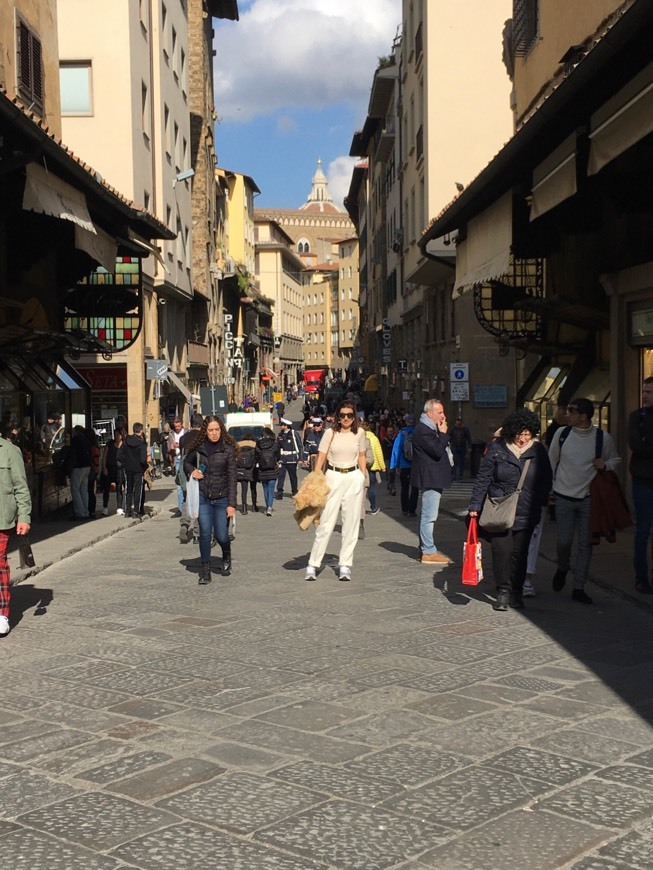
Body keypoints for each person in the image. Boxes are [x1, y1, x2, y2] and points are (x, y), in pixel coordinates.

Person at [468, 409, 552, 611]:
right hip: (499, 510)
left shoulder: (538, 451)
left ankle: (516, 591)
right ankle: (503, 591)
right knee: (501, 551)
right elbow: (483, 478)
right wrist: (475, 505)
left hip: (526, 511)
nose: (523, 439)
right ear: (511, 432)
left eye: (527, 434)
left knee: (519, 554)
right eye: (519, 434)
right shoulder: (497, 449)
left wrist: (539, 502)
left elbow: (546, 479)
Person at [548, 397, 620, 604]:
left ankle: (579, 586)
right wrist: (550, 488)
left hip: (590, 498)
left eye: (572, 410)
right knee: (563, 541)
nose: (567, 413)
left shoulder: (602, 438)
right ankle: (562, 567)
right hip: (563, 495)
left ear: (584, 416)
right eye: (567, 409)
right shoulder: (562, 434)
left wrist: (604, 465)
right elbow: (551, 461)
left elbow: (615, 459)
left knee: (585, 545)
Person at [304, 400, 367, 582]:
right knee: (326, 522)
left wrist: (362, 477)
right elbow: (321, 457)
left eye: (349, 415)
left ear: (354, 417)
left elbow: (362, 455)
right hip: (333, 475)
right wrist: (316, 479)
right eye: (342, 415)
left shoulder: (360, 433)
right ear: (338, 417)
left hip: (353, 476)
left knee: (351, 523)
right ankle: (313, 564)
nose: (346, 418)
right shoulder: (329, 433)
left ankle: (345, 564)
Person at [184, 416, 237, 585]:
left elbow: (232, 478)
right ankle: (205, 571)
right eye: (211, 430)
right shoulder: (198, 448)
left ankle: (226, 553)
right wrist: (192, 471)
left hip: (222, 498)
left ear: (221, 431)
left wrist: (231, 504)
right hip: (203, 496)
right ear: (205, 432)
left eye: (217, 430)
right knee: (205, 534)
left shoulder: (228, 450)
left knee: (222, 535)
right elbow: (186, 463)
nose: (214, 434)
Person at [410, 399, 454, 564]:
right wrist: (443, 433)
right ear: (430, 413)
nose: (443, 416)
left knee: (427, 514)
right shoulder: (423, 430)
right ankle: (428, 551)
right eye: (440, 412)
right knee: (429, 515)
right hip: (430, 477)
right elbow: (436, 450)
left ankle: (424, 549)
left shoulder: (429, 428)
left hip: (433, 476)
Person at [0, 435, 31, 635]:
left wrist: (24, 516)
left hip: (2, 518)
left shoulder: (10, 450)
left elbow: (20, 486)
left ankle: (2, 613)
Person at [628, 376, 653, 594]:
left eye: (649, 392)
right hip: (643, 481)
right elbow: (636, 445)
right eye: (644, 391)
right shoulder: (637, 417)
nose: (644, 395)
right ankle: (641, 577)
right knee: (643, 530)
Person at [178, 413, 204, 543]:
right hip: (199, 472)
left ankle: (184, 524)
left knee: (187, 499)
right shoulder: (203, 437)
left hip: (186, 473)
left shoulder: (183, 438)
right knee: (200, 501)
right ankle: (197, 534)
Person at [389, 413, 418, 516]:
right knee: (415, 488)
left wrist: (394, 466)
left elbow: (396, 450)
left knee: (404, 487)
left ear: (406, 422)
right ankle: (412, 510)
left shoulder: (402, 434)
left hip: (404, 465)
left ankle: (404, 509)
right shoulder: (418, 432)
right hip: (416, 465)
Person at [120, 423, 148, 518]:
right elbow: (142, 459)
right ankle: (136, 511)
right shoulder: (142, 443)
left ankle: (128, 511)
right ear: (141, 431)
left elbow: (119, 455)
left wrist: (125, 463)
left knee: (129, 489)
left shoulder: (126, 441)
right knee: (138, 490)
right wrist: (146, 466)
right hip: (138, 469)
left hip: (128, 469)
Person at [255, 427, 281, 516]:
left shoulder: (258, 444)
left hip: (262, 469)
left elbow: (256, 455)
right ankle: (269, 507)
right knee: (271, 489)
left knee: (265, 489)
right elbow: (278, 455)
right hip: (272, 468)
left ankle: (267, 507)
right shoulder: (274, 443)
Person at [361, 420, 385, 515]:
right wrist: (383, 466)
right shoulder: (374, 438)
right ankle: (374, 506)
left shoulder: (361, 438)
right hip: (372, 467)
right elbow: (379, 453)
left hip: (363, 466)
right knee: (371, 488)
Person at [275, 418, 303, 500]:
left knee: (293, 476)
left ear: (286, 426)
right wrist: (277, 459)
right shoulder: (280, 435)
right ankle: (279, 492)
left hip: (292, 458)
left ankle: (294, 491)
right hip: (283, 459)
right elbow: (277, 447)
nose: (281, 427)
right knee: (280, 476)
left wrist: (300, 458)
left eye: (282, 425)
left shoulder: (294, 434)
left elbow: (300, 446)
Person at [69, 425, 92, 520]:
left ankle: (80, 512)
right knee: (83, 489)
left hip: (78, 466)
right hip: (87, 466)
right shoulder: (86, 439)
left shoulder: (75, 439)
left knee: (75, 489)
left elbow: (73, 453)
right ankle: (85, 511)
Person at [100, 427, 125, 516]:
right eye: (115, 435)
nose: (116, 436)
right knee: (106, 489)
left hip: (120, 470)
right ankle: (105, 507)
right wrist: (104, 468)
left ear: (122, 435)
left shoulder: (124, 445)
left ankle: (119, 507)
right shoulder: (110, 444)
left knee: (119, 489)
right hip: (109, 469)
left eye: (118, 435)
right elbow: (104, 457)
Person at [236, 431, 258, 514]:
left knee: (243, 489)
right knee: (253, 488)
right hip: (252, 470)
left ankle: (244, 507)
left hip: (241, 470)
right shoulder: (254, 445)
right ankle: (254, 505)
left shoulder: (238, 445)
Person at [170, 417, 186, 516]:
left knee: (187, 485)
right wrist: (171, 448)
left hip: (186, 460)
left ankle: (188, 507)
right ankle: (180, 509)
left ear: (182, 424)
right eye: (175, 427)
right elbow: (168, 449)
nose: (177, 428)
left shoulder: (187, 432)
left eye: (178, 426)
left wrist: (180, 446)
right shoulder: (171, 434)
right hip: (177, 460)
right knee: (179, 485)